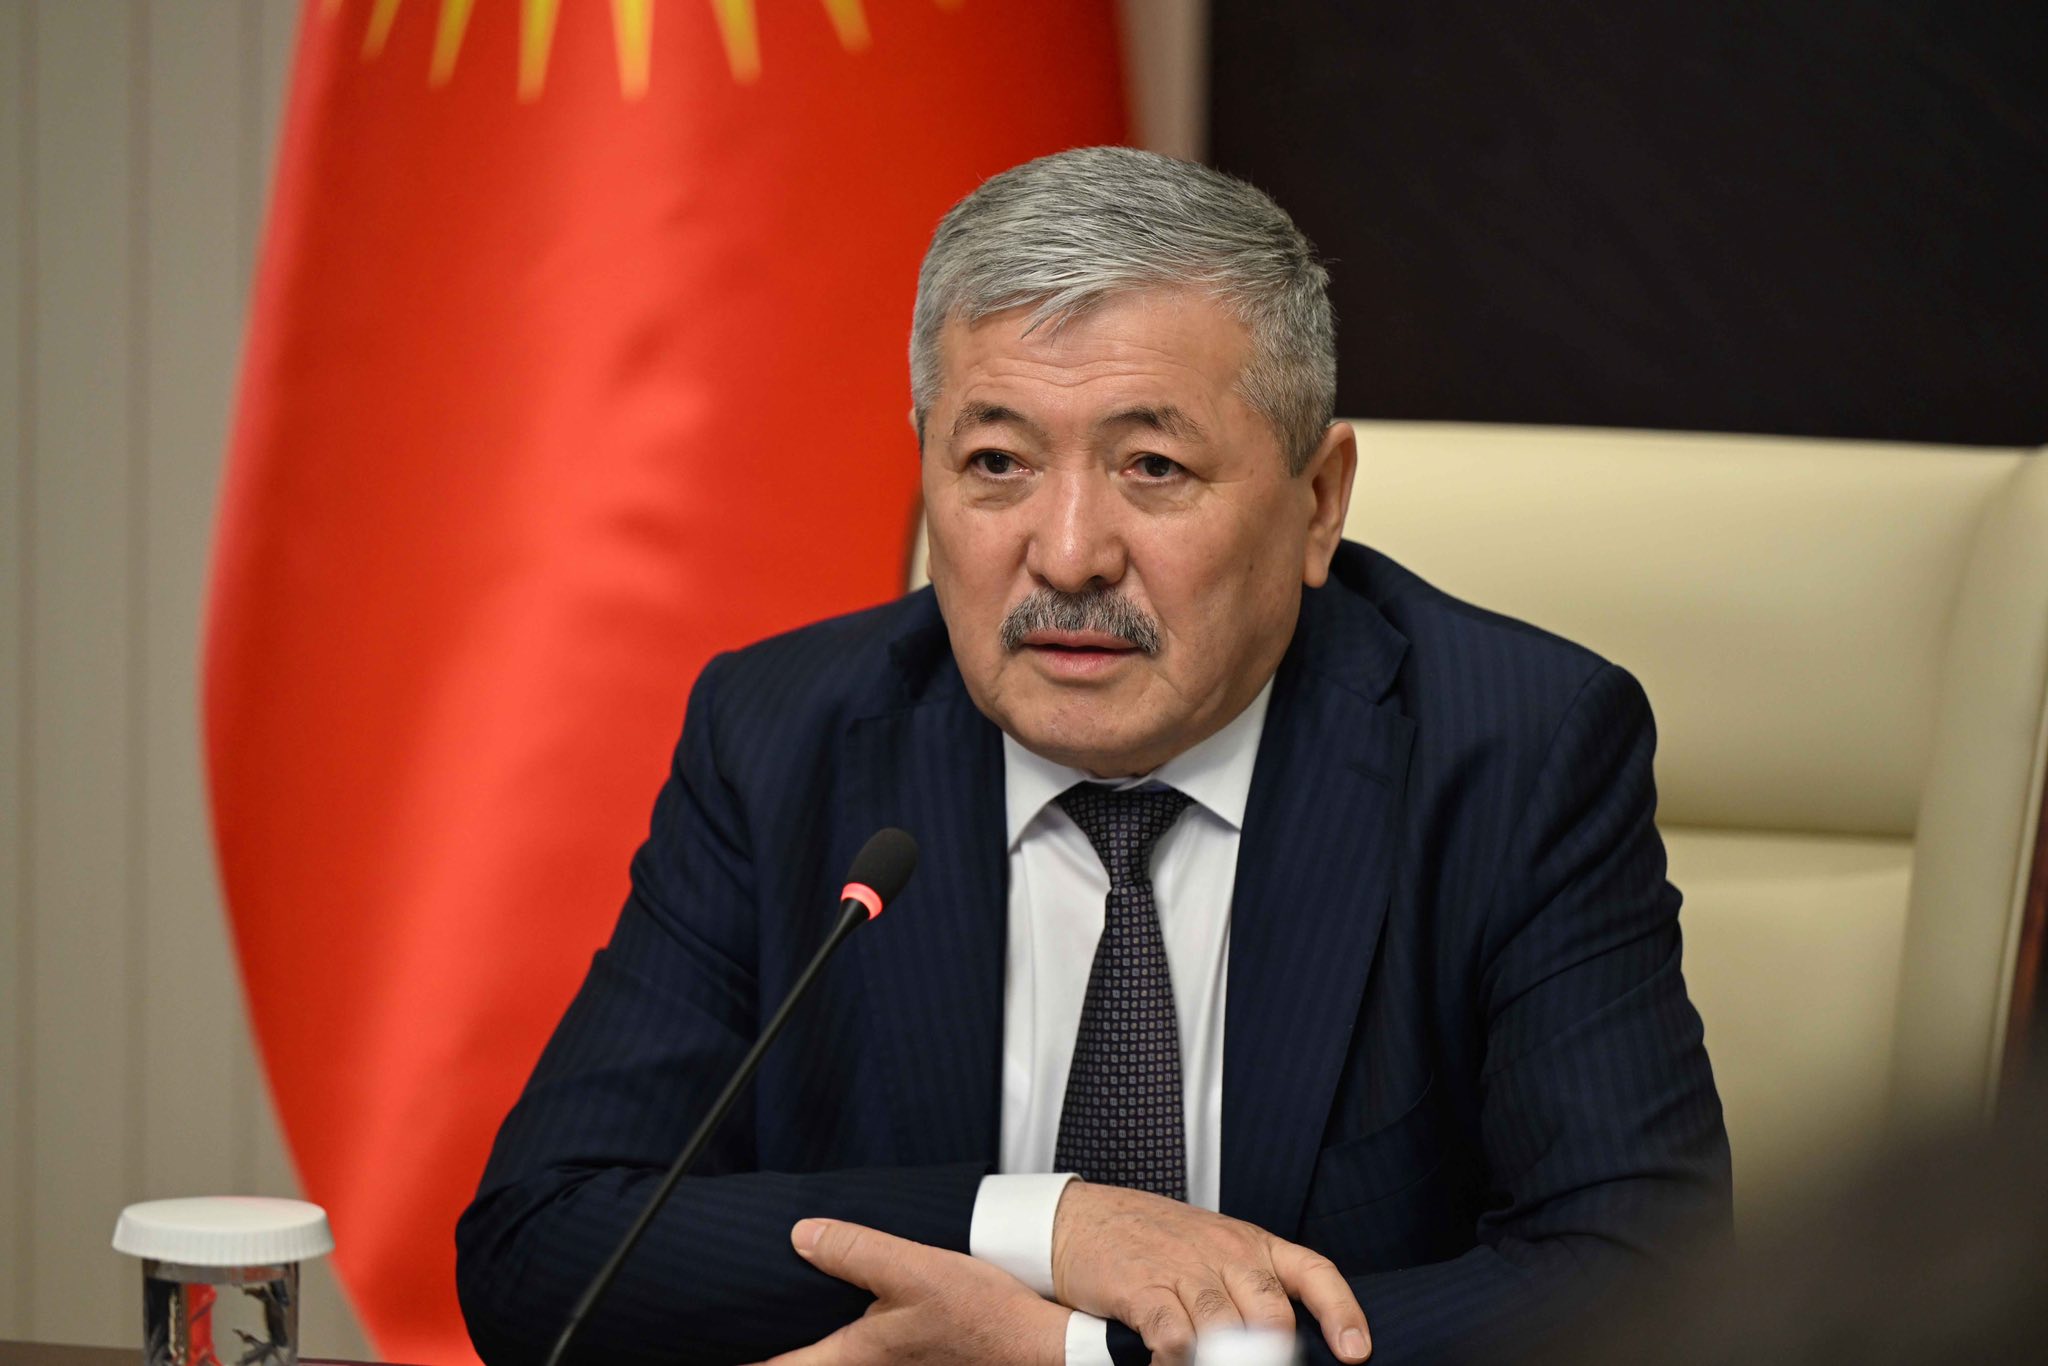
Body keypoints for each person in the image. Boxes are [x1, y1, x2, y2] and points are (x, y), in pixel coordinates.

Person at [455, 146, 1732, 1366]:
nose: (1066, 555)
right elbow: (542, 1248)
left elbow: (1642, 1278)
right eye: (996, 462)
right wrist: (1040, 1223)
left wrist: (1087, 1352)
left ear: (1317, 502)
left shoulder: (1510, 752)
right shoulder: (783, 737)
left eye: (1152, 466)